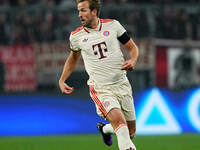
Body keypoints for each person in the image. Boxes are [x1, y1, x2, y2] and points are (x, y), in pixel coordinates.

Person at [58, 0, 139, 150]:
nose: (79, 15)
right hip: (101, 89)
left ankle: (104, 129)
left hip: (122, 84)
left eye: (83, 10)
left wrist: (133, 60)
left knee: (131, 132)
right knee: (121, 126)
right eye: (78, 11)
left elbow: (132, 47)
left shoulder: (113, 25)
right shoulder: (76, 36)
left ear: (94, 12)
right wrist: (62, 79)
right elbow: (73, 58)